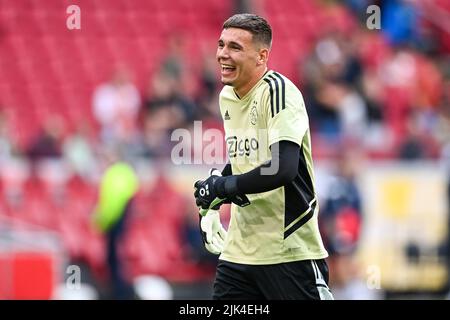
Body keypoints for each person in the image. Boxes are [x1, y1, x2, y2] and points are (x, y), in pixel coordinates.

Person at [194, 13, 333, 300]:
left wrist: (224, 188)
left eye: (235, 47)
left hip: (288, 250)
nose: (222, 54)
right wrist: (213, 194)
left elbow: (283, 168)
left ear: (261, 56)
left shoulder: (279, 92)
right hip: (239, 255)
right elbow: (246, 158)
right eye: (221, 45)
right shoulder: (227, 97)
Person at [93, 160, 139, 299]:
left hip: (114, 226)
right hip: (122, 225)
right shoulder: (127, 174)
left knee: (115, 262)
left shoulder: (113, 175)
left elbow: (111, 207)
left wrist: (98, 222)